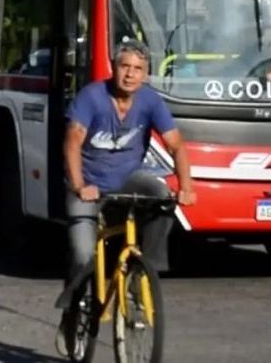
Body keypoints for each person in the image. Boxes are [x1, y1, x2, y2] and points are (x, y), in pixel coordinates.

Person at [55, 38, 196, 356]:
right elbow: (72, 143)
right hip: (88, 184)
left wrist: (186, 186)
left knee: (161, 195)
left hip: (128, 180)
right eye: (124, 67)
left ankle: (147, 269)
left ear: (145, 74)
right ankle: (73, 310)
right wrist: (79, 185)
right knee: (81, 254)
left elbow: (176, 145)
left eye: (137, 69)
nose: (130, 74)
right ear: (114, 68)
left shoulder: (150, 101)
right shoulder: (92, 97)